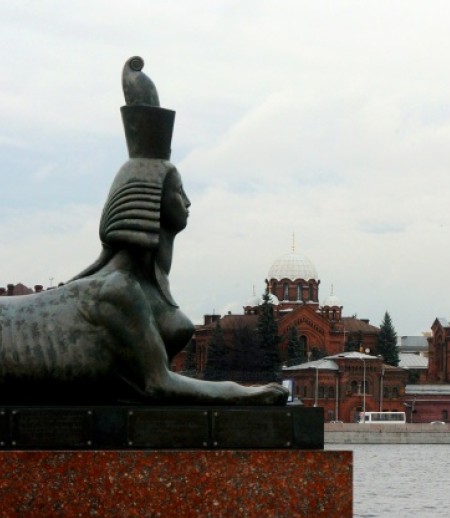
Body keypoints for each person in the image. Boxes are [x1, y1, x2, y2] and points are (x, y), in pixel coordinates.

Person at [0, 57, 287, 405]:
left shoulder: (130, 289)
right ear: (149, 199)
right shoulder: (117, 291)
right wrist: (244, 393)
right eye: (178, 191)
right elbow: (156, 384)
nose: (189, 201)